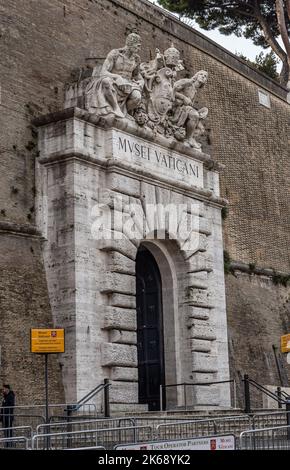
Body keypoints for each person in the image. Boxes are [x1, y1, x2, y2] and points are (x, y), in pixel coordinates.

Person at [85, 33, 144, 118]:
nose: (139, 49)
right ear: (130, 44)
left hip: (128, 84)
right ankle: (116, 108)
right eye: (137, 46)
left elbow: (138, 76)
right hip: (115, 81)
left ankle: (125, 112)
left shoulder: (136, 59)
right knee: (106, 81)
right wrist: (117, 77)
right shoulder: (115, 54)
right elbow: (103, 72)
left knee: (137, 97)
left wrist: (142, 82)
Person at [172, 70, 208, 149]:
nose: (203, 76)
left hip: (185, 109)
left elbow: (189, 104)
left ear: (205, 81)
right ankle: (188, 139)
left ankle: (189, 136)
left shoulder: (195, 90)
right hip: (175, 107)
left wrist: (203, 112)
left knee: (201, 128)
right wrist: (184, 97)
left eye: (205, 76)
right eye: (201, 74)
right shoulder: (188, 83)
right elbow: (173, 89)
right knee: (194, 115)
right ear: (196, 76)